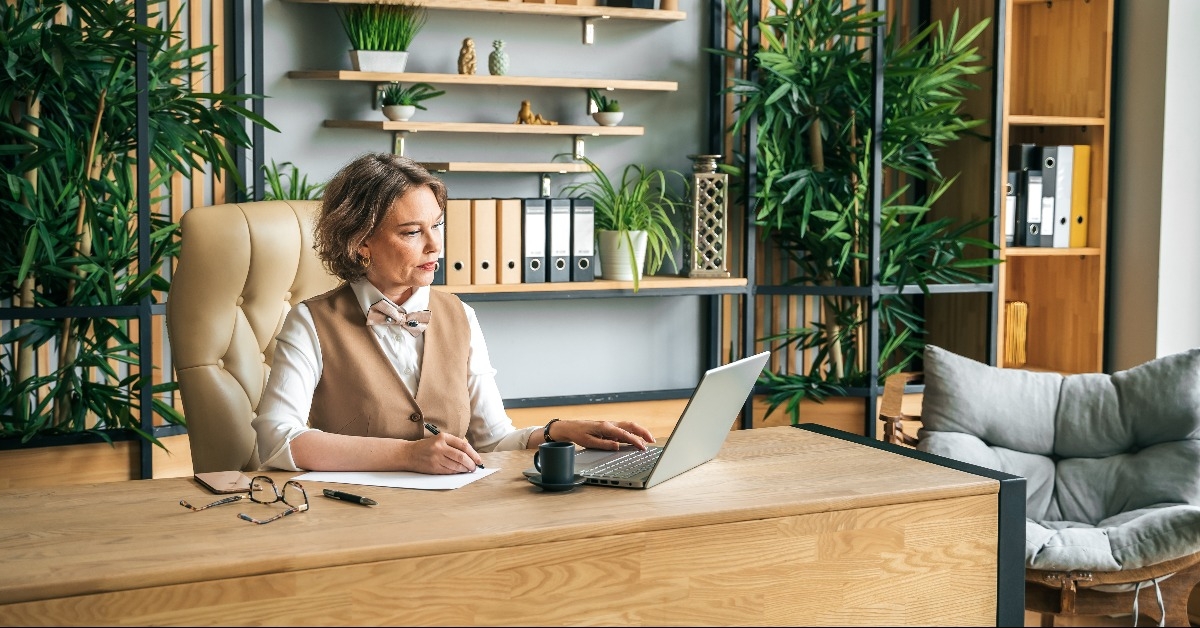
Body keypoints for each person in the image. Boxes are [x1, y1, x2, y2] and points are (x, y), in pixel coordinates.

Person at [252, 153, 655, 474]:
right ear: (360, 243)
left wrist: (555, 432)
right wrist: (406, 456)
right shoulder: (310, 322)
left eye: (437, 226)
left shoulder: (460, 314)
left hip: (454, 515)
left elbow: (492, 439)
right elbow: (277, 440)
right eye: (412, 232)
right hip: (353, 518)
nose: (435, 247)